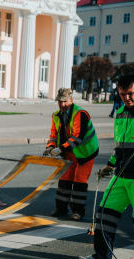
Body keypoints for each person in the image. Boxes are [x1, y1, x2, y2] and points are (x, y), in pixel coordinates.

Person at [80, 75, 134, 259]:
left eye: (131, 93)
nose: (127, 98)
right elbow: (119, 145)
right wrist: (110, 165)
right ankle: (102, 256)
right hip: (121, 174)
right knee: (104, 213)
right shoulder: (121, 112)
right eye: (123, 94)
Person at [43, 88, 99, 221]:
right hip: (68, 152)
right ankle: (61, 209)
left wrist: (60, 149)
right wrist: (50, 147)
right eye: (59, 101)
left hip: (85, 153)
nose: (62, 104)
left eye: (65, 101)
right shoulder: (56, 115)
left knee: (79, 182)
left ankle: (78, 211)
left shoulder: (80, 114)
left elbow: (77, 137)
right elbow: (53, 135)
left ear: (71, 100)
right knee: (64, 180)